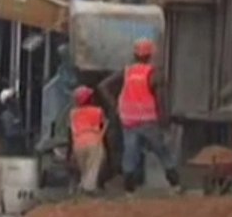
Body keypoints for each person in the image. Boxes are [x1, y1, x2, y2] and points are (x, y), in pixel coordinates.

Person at [99, 38, 179, 194]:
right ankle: (175, 184)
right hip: (148, 120)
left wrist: (115, 105)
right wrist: (164, 118)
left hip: (128, 119)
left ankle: (129, 190)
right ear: (150, 55)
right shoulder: (153, 73)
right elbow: (160, 99)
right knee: (161, 150)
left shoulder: (127, 71)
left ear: (135, 54)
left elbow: (103, 86)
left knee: (130, 152)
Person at [70, 86, 107, 195]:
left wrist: (70, 151)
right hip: (94, 142)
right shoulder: (97, 111)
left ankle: (82, 188)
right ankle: (88, 191)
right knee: (93, 168)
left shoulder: (73, 113)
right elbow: (103, 124)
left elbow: (71, 131)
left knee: (85, 170)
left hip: (78, 144)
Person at [0, 87, 27, 156]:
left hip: (19, 150)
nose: (16, 99)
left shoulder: (17, 114)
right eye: (13, 97)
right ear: (8, 101)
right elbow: (10, 133)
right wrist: (24, 132)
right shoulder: (6, 115)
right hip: (11, 151)